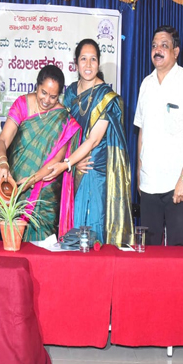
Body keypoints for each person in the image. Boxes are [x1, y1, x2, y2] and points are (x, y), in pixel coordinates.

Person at [44, 39, 132, 246]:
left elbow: (94, 140)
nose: (88, 64)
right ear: (76, 63)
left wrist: (67, 163)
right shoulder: (70, 93)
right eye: (83, 59)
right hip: (73, 169)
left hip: (94, 169)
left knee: (92, 230)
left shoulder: (106, 97)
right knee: (71, 230)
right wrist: (70, 163)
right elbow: (64, 134)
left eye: (93, 59)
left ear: (98, 63)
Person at [134, 26, 183, 246]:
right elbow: (142, 131)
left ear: (176, 51)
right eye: (154, 45)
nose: (158, 50)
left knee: (178, 251)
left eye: (164, 45)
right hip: (149, 183)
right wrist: (139, 173)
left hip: (177, 184)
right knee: (149, 250)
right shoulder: (146, 84)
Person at [0, 65, 80, 241]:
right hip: (14, 186)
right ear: (37, 86)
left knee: (43, 246)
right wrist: (2, 163)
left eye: (53, 97)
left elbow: (56, 160)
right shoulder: (22, 104)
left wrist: (32, 180)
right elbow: (3, 140)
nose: (47, 100)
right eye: (43, 93)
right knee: (13, 244)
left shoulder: (63, 118)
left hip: (45, 192)